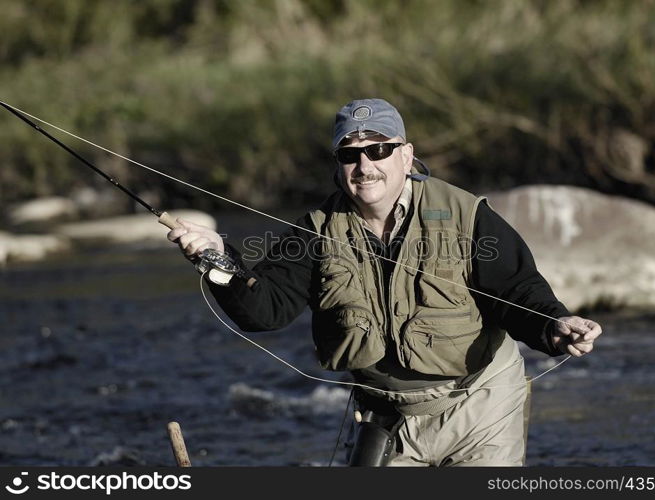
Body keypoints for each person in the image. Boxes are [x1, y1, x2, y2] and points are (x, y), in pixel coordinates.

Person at [167, 98, 602, 466]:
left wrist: (556, 327)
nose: (364, 165)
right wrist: (217, 259)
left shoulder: (467, 214)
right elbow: (265, 310)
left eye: (379, 150)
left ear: (406, 156)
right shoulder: (315, 230)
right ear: (337, 164)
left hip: (480, 408)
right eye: (350, 154)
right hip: (385, 419)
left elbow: (517, 291)